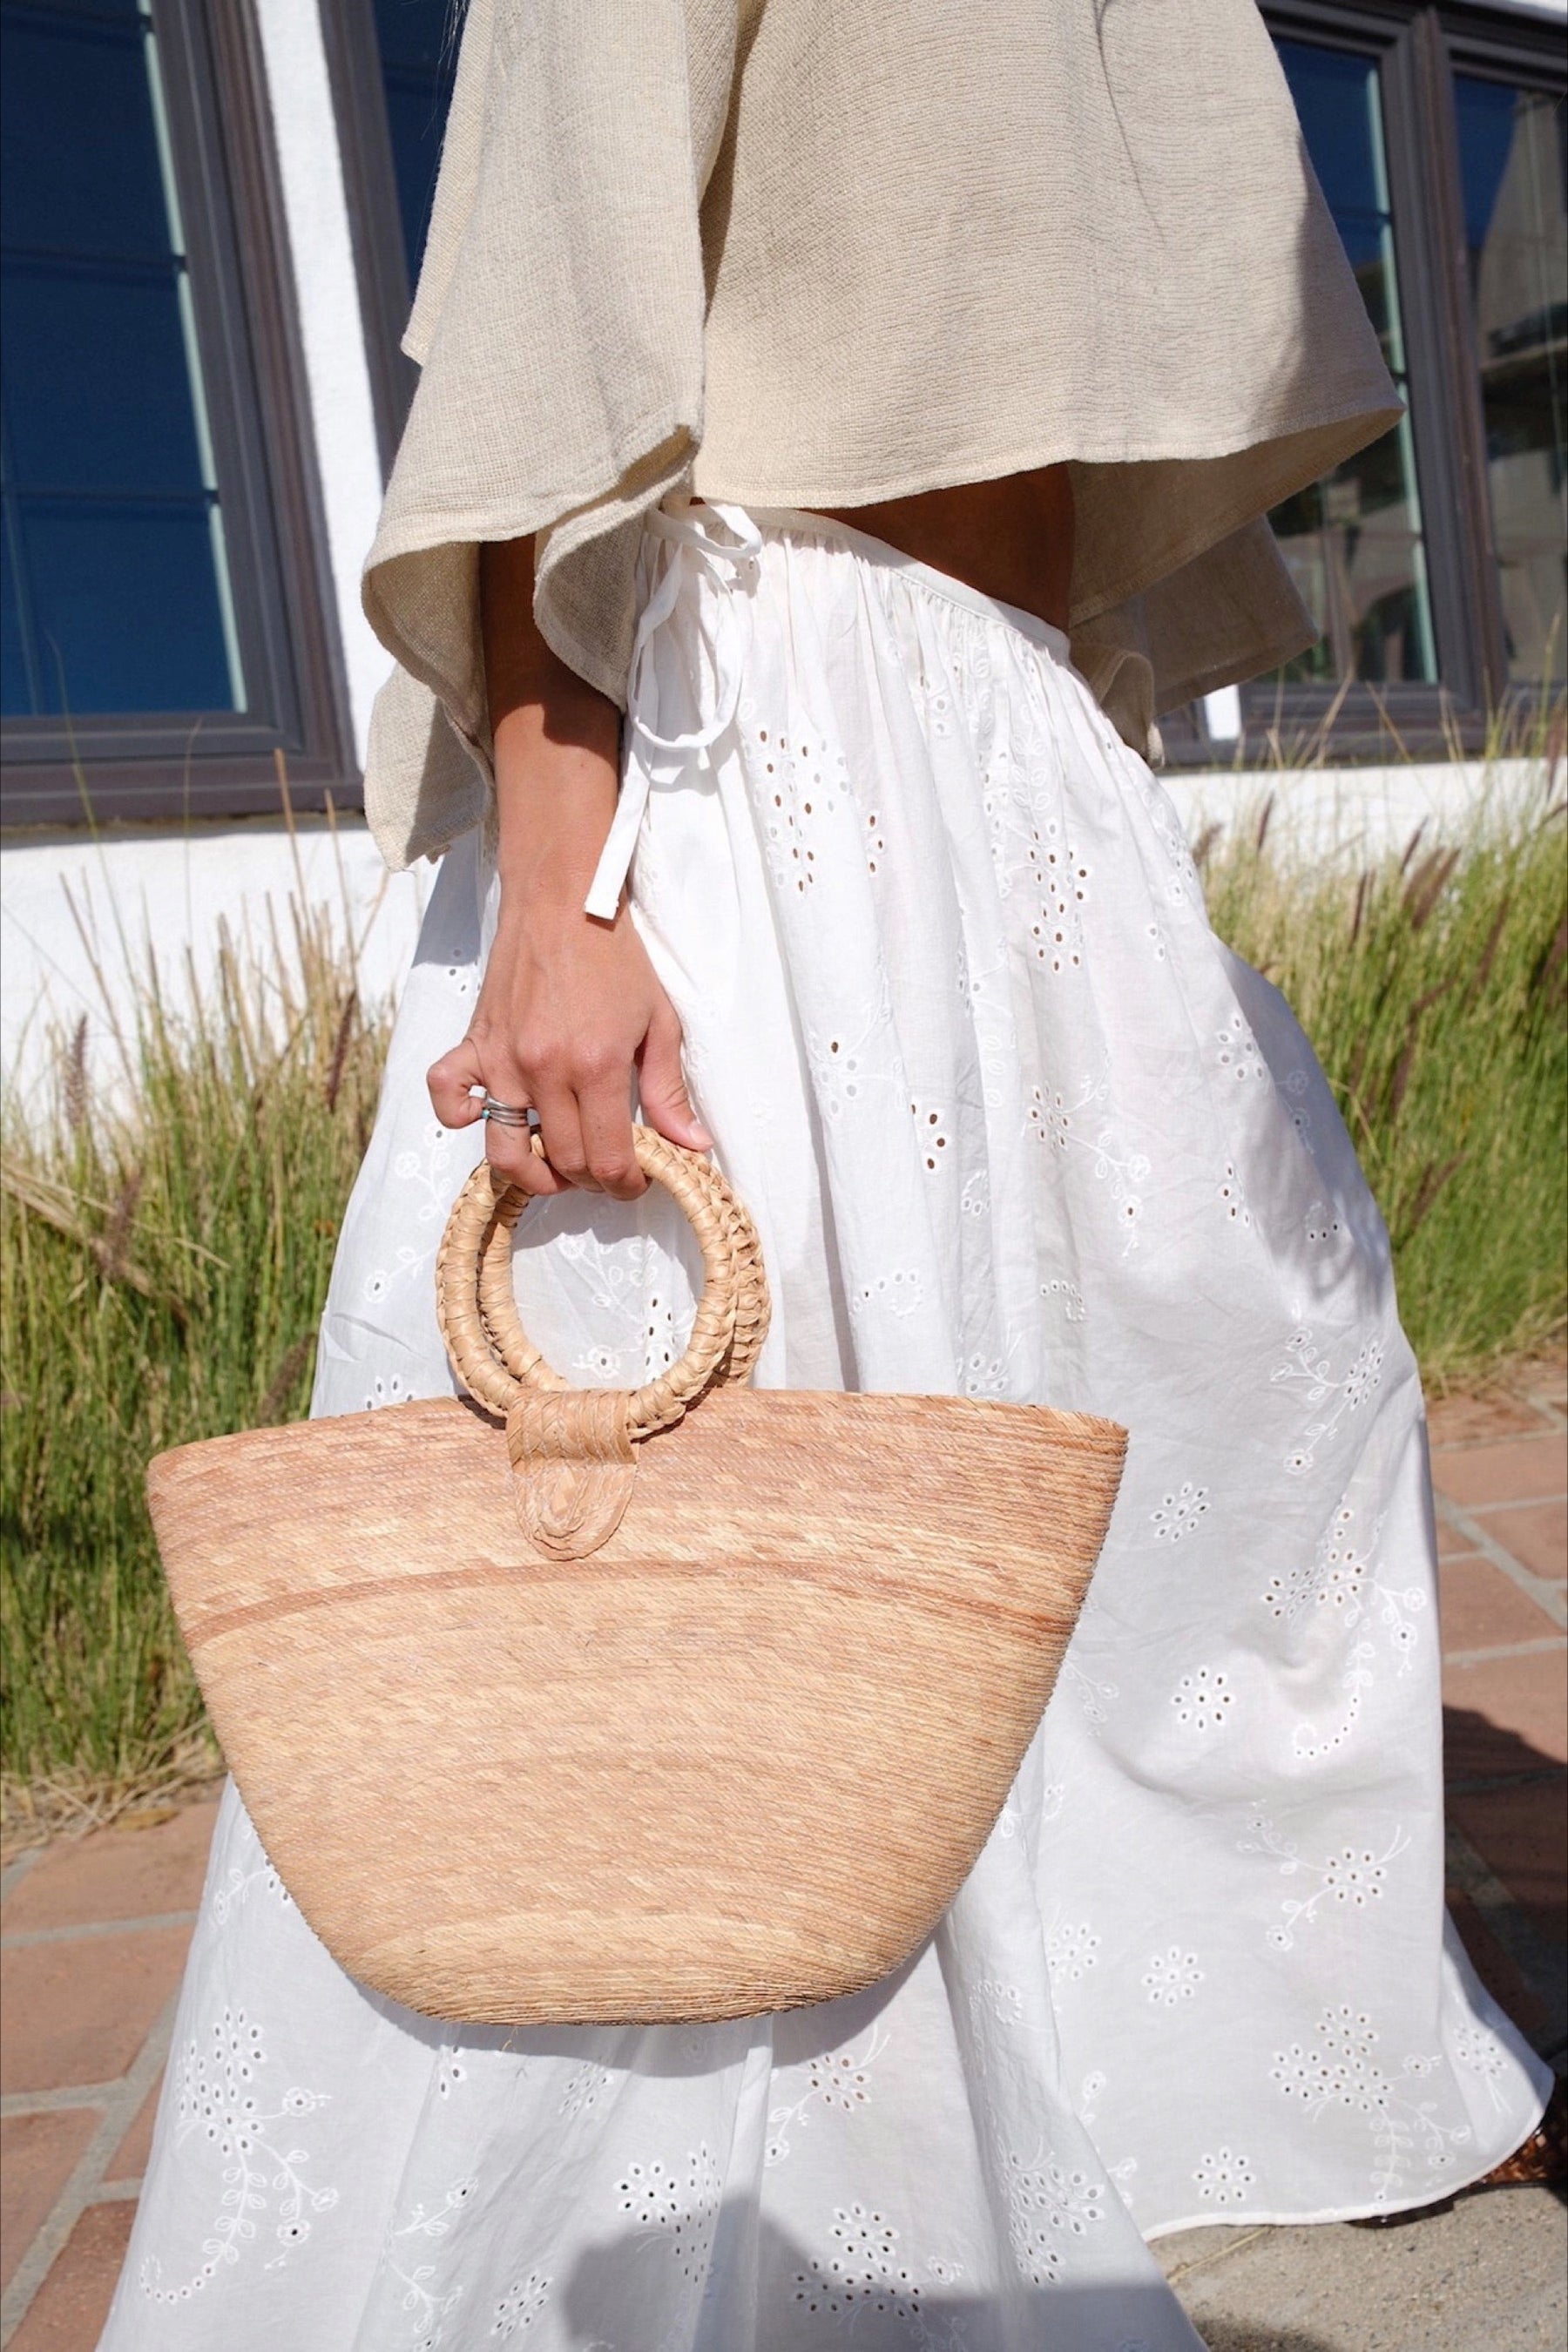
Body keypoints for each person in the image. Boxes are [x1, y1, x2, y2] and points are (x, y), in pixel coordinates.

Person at [102, 3, 1558, 2345]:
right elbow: (563, 303)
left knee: (1252, 1382)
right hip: (746, 730)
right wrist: (568, 890)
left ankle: (1243, 2040)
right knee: (730, 1536)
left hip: (1000, 728)